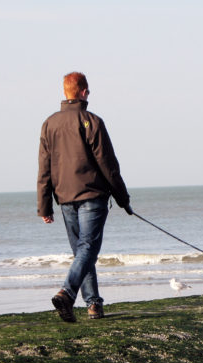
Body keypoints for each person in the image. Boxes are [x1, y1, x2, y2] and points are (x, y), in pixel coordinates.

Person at [37, 71, 133, 322]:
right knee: (87, 249)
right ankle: (67, 293)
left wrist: (44, 205)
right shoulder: (91, 121)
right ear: (82, 92)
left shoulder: (50, 123)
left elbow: (44, 167)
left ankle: (93, 304)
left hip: (65, 196)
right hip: (92, 194)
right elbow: (108, 165)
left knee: (83, 250)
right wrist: (123, 198)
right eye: (87, 91)